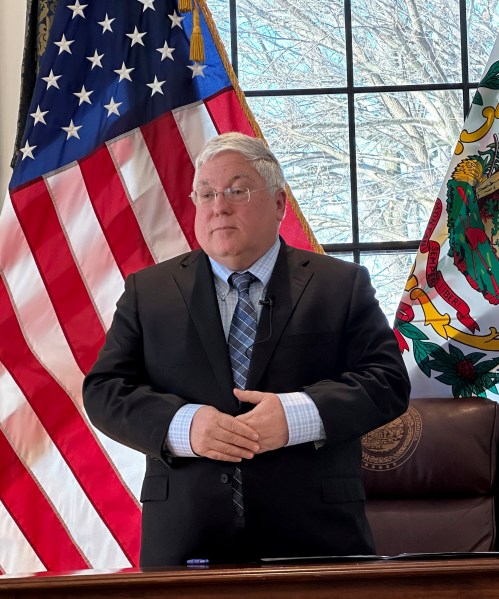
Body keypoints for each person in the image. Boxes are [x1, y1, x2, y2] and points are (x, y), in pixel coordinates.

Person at [83, 132, 410, 566]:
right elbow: (104, 391)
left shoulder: (340, 285)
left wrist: (295, 417)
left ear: (279, 204)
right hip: (186, 544)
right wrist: (184, 427)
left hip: (317, 542)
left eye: (237, 191)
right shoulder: (149, 291)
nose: (219, 206)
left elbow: (387, 381)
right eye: (206, 194)